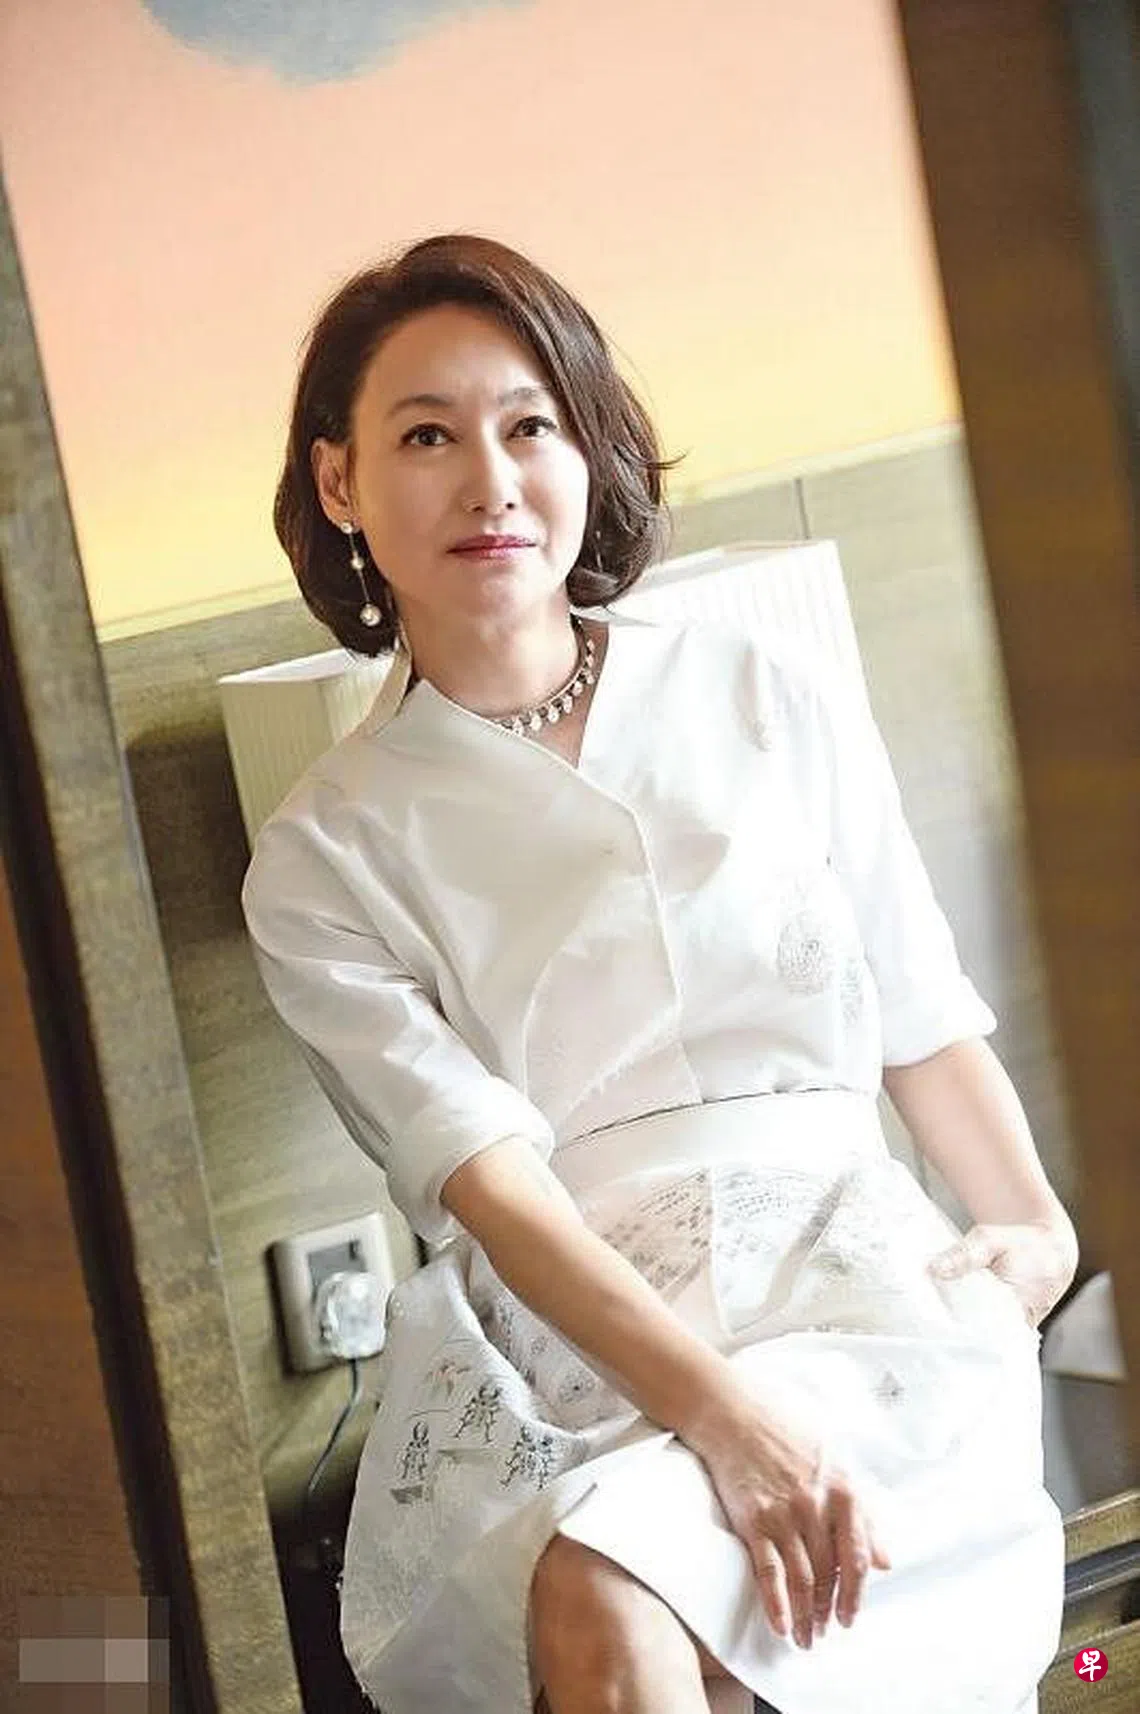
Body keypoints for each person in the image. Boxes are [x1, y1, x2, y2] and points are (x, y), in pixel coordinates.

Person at [243, 233, 1079, 1714]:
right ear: (338, 482)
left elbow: (919, 1010)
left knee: (641, 1596)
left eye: (530, 425)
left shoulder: (764, 689)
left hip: (859, 1293)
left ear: (587, 448)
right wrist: (727, 1420)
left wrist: (1032, 1226)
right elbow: (496, 1191)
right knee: (607, 1586)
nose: (491, 483)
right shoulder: (323, 857)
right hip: (581, 1357)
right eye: (426, 436)